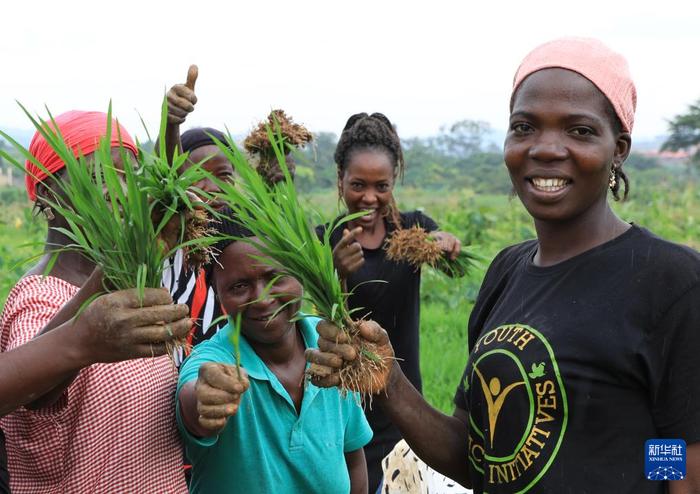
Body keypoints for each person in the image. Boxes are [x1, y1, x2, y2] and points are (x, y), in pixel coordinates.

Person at [308, 38, 700, 493]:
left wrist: (635, 471)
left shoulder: (669, 281)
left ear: (620, 149)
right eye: (525, 127)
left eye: (580, 131)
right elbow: (475, 453)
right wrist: (390, 382)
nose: (546, 148)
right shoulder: (508, 272)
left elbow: (682, 460)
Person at [0, 110, 191, 493]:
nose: (118, 190)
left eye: (130, 177)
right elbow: (36, 388)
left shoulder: (124, 287)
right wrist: (83, 335)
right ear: (48, 193)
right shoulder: (38, 298)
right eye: (99, 177)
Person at [175, 210, 372, 493]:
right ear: (216, 293)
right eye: (239, 286)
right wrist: (206, 399)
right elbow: (194, 403)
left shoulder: (330, 344)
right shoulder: (212, 360)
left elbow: (352, 457)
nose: (263, 299)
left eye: (275, 277)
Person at [316, 112, 461, 492]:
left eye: (381, 185)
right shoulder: (324, 239)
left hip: (404, 400)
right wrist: (337, 274)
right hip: (343, 404)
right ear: (340, 181)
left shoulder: (411, 230)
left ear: (393, 181)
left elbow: (455, 268)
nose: (369, 197)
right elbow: (319, 321)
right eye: (358, 185)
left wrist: (446, 245)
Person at [162, 67, 313, 359]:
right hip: (175, 386)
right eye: (195, 175)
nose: (212, 187)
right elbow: (165, 180)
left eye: (224, 175)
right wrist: (170, 125)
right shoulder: (170, 246)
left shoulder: (242, 245)